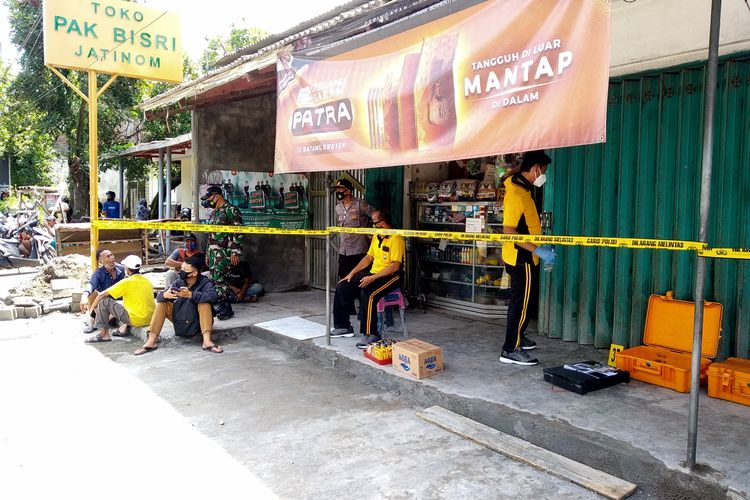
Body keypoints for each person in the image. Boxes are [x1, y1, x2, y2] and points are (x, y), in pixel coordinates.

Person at [500, 150, 556, 366]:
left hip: (526, 255)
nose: (544, 175)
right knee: (520, 304)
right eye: (544, 171)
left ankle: (518, 337)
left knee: (524, 302)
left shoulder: (523, 188)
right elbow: (509, 231)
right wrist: (538, 250)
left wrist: (540, 245)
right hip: (520, 257)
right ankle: (509, 349)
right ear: (536, 169)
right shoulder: (515, 194)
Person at [331, 209, 404, 348]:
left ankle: (372, 334)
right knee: (343, 286)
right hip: (374, 273)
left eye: (374, 222)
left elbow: (395, 267)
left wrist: (372, 278)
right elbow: (369, 257)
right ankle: (343, 326)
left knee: (369, 294)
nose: (372, 225)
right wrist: (351, 273)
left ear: (383, 223)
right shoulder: (377, 235)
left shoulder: (396, 238)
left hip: (392, 276)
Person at [134, 255, 223, 355]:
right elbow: (159, 298)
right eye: (181, 268)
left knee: (204, 304)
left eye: (185, 269)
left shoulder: (205, 283)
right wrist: (164, 294)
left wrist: (191, 295)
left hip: (199, 321)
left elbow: (213, 296)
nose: (181, 271)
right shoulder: (178, 282)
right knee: (162, 304)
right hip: (181, 318)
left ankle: (207, 341)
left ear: (194, 273)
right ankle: (151, 342)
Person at [85, 255, 155, 343]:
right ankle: (122, 328)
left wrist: (92, 308)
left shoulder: (127, 282)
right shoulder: (147, 281)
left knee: (103, 302)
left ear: (127, 268)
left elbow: (101, 295)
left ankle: (104, 334)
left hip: (136, 320)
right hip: (150, 319)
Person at [201, 184, 245, 320]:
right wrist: (208, 253)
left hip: (225, 252)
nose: (208, 201)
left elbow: (238, 232)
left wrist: (235, 252)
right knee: (215, 280)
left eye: (210, 198)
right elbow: (211, 234)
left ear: (217, 195)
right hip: (214, 253)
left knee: (221, 279)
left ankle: (226, 308)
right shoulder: (214, 212)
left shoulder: (231, 210)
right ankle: (222, 305)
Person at [333, 178, 375, 279]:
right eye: (337, 189)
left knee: (359, 280)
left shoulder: (361, 205)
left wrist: (371, 234)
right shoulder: (338, 208)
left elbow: (376, 216)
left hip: (359, 251)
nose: (338, 191)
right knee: (343, 279)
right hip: (344, 251)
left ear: (348, 190)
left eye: (340, 189)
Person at [80, 249, 127, 333]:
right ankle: (92, 321)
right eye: (108, 256)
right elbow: (91, 285)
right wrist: (84, 296)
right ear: (101, 261)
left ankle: (102, 320)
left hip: (120, 302)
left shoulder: (121, 269)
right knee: (92, 293)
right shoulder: (98, 273)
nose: (112, 258)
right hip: (105, 302)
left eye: (112, 255)